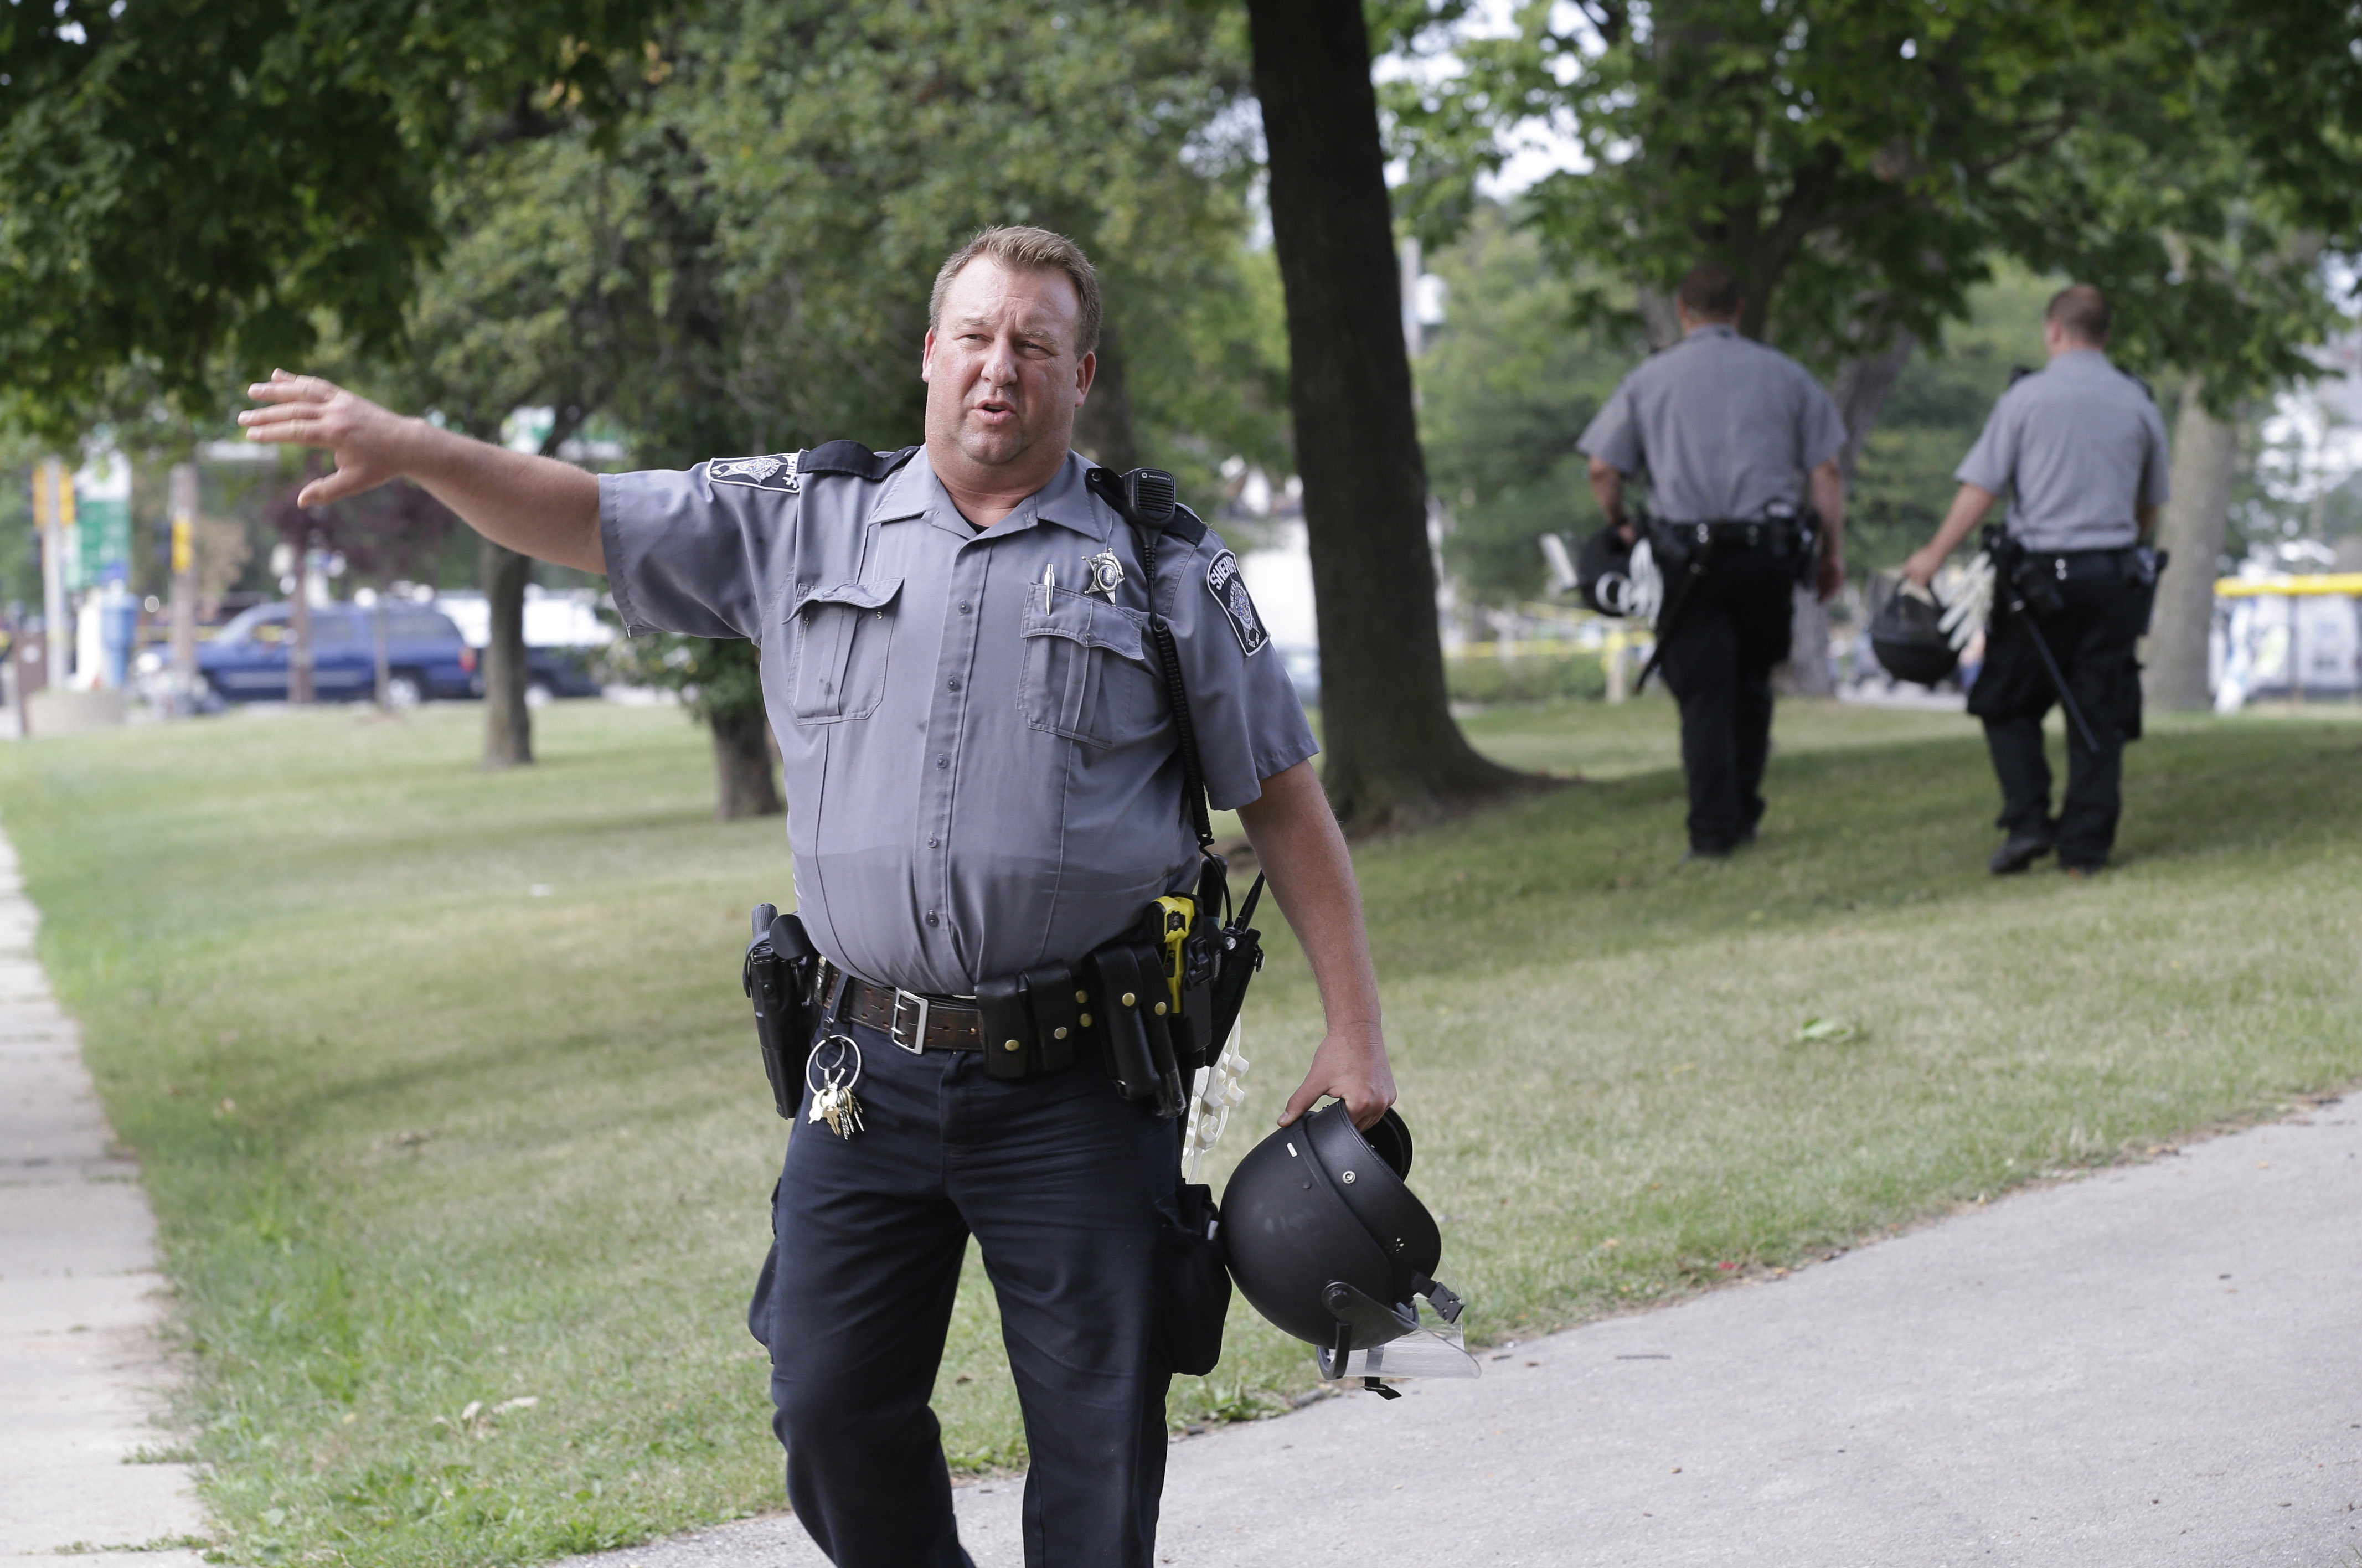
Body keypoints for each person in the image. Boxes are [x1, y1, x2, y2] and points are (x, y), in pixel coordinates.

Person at [238, 225, 1396, 1568]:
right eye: (976, 336)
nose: (1000, 368)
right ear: (930, 353)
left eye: (1034, 344)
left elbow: (1284, 802)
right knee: (829, 1407)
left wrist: (1354, 1029)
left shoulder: (1162, 565)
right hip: (865, 1078)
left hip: (1081, 1082)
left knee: (1099, 1445)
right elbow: (588, 515)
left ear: (1080, 373)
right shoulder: (804, 520)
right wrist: (415, 447)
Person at [1577, 262, 1849, 860]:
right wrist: (1832, 553)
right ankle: (1744, 810)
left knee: (1703, 695)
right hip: (1767, 555)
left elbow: (1602, 467)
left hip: (1686, 561)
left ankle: (1712, 832)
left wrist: (1620, 523)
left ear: (1682, 310)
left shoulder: (1649, 380)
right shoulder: (1788, 376)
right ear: (1739, 308)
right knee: (1752, 683)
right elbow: (1826, 471)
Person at [1903, 283, 2169, 878]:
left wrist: (1934, 554)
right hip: (2110, 578)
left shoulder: (2025, 399)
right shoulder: (2139, 402)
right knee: (2098, 713)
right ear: (2105, 334)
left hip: (2037, 586)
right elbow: (2151, 500)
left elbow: (1982, 488)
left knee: (2004, 701)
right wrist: (2124, 538)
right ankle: (2085, 850)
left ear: (2053, 331)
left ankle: (2027, 819)